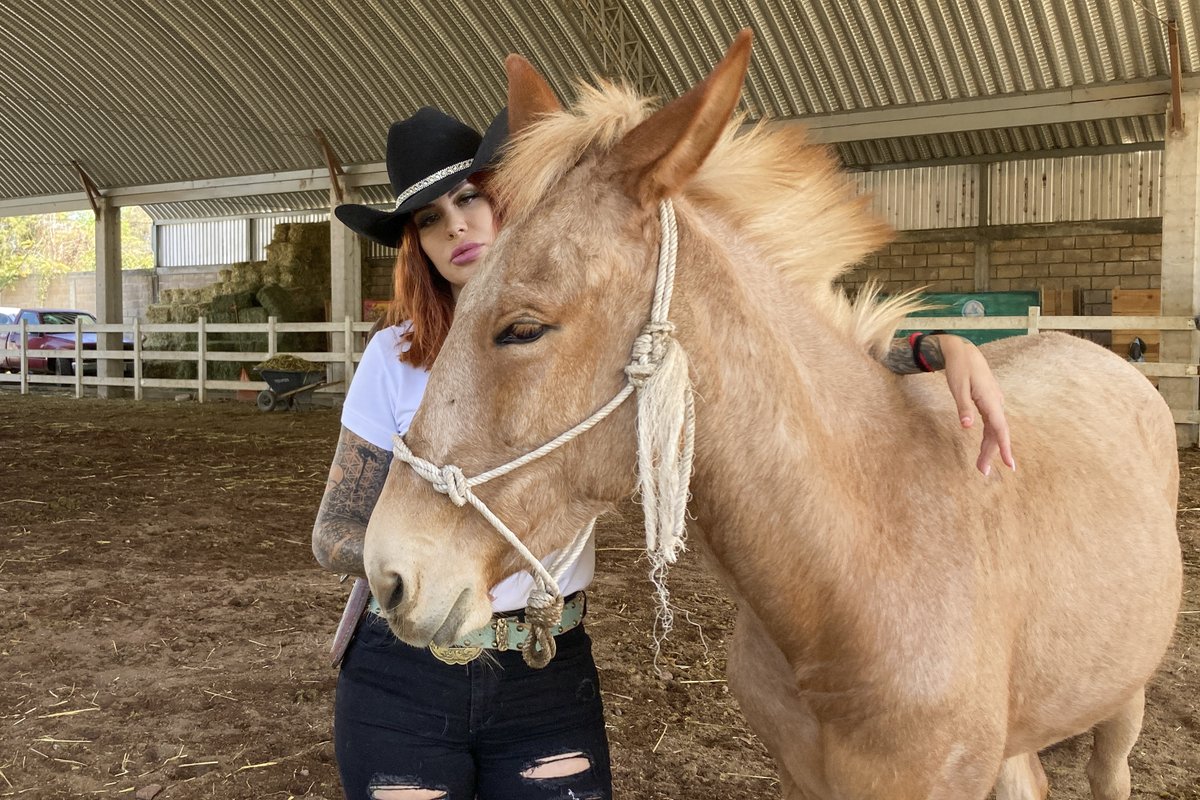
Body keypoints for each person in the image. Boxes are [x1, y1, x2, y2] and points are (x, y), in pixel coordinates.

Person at [313, 106, 1014, 800]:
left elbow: (752, 355)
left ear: (506, 199)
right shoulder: (393, 356)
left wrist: (925, 347)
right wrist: (444, 545)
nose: (456, 226)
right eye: (428, 219)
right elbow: (334, 527)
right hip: (405, 669)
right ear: (414, 244)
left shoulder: (578, 329)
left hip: (541, 661)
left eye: (468, 199)